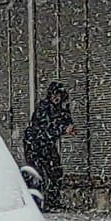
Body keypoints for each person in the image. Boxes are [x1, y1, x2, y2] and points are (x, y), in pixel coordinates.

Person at [22, 82, 75, 211]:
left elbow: (66, 121)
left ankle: (52, 202)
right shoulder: (44, 107)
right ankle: (35, 203)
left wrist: (69, 127)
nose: (56, 98)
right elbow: (45, 128)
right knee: (37, 173)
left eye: (59, 95)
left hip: (47, 144)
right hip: (34, 144)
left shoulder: (62, 108)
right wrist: (62, 129)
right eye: (54, 95)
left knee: (55, 171)